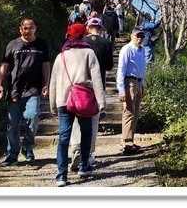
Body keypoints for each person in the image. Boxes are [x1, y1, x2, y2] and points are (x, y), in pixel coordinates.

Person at [49, 22, 106, 187]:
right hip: (83, 100)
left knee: (63, 137)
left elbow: (53, 82)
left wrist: (53, 105)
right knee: (86, 132)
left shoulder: (61, 56)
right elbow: (96, 78)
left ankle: (61, 175)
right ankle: (84, 166)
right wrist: (101, 102)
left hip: (63, 100)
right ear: (82, 36)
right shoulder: (89, 53)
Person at [0, 18, 51, 166]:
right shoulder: (13, 44)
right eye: (25, 28)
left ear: (35, 28)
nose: (27, 30)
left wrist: (46, 84)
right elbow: (4, 66)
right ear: (20, 29)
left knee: (33, 116)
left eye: (30, 28)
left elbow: (45, 65)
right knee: (12, 124)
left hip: (33, 90)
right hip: (15, 90)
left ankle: (28, 148)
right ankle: (12, 154)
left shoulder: (41, 44)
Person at [70, 17, 114, 172]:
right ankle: (88, 153)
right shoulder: (106, 43)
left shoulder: (80, 43)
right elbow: (109, 66)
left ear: (87, 28)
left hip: (78, 85)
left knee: (76, 119)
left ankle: (76, 148)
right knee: (93, 121)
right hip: (97, 85)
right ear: (101, 29)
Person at [116, 25, 147, 154]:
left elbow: (142, 68)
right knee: (129, 112)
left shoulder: (142, 50)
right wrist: (121, 89)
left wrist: (143, 84)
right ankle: (127, 143)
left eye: (142, 36)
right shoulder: (126, 49)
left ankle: (130, 140)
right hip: (129, 82)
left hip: (138, 82)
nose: (140, 38)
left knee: (135, 113)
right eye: (138, 36)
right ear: (132, 36)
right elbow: (121, 70)